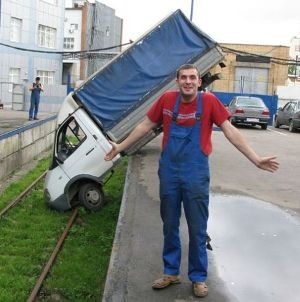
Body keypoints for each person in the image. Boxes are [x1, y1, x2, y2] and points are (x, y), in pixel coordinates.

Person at [104, 64, 279, 298]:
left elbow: (229, 130)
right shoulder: (166, 100)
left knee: (197, 227)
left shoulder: (209, 103)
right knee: (169, 224)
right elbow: (145, 125)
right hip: (169, 172)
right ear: (177, 81)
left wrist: (255, 159)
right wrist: (120, 147)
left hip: (196, 172)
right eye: (183, 77)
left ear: (199, 82)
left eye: (192, 78)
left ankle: (198, 277)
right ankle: (171, 271)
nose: (188, 81)